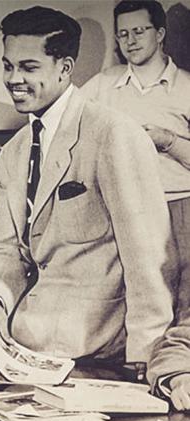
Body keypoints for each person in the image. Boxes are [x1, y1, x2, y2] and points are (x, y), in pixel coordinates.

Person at [0, 6, 174, 366]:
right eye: (8, 65)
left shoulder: (113, 134)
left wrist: (145, 358)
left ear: (65, 68)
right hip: (26, 350)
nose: (14, 78)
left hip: (101, 354)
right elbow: (4, 248)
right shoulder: (13, 152)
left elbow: (149, 261)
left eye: (29, 67)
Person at [82, 0, 190, 312]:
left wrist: (166, 139)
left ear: (160, 33)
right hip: (124, 208)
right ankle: (141, 361)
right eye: (123, 34)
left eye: (139, 31)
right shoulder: (103, 85)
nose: (130, 41)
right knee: (134, 301)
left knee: (184, 304)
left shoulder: (187, 87)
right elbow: (66, 127)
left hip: (179, 207)